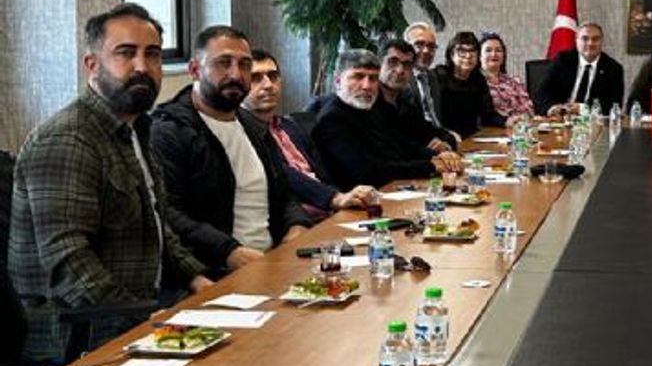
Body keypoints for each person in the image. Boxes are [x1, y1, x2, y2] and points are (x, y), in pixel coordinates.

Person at [9, 3, 214, 362]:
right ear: (92, 65)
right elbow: (70, 263)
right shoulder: (69, 139)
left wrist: (199, 281)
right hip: (80, 342)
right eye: (125, 53)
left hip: (139, 319)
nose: (142, 66)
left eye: (152, 54)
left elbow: (156, 227)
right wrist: (143, 321)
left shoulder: (136, 128)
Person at [151, 25, 311, 278]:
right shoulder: (168, 131)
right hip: (215, 272)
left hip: (275, 262)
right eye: (223, 63)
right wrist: (229, 251)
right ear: (194, 70)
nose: (236, 74)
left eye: (244, 65)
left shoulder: (252, 125)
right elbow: (167, 213)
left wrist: (297, 226)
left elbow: (283, 193)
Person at [242, 49, 378, 221]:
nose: (268, 85)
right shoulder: (242, 132)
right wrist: (335, 198)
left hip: (330, 214)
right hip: (293, 222)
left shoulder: (291, 126)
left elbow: (324, 176)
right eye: (255, 78)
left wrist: (344, 202)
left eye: (273, 76)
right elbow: (285, 176)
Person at [313, 50, 462, 190]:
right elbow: (367, 172)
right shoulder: (333, 119)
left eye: (373, 79)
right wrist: (431, 166)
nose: (367, 86)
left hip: (391, 189)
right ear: (338, 81)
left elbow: (400, 146)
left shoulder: (371, 109)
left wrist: (437, 156)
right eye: (358, 77)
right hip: (361, 200)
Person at [379, 38, 457, 153]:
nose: (400, 70)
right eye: (393, 62)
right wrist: (429, 152)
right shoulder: (368, 103)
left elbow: (434, 133)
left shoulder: (406, 103)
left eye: (407, 65)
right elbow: (392, 151)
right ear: (378, 64)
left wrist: (446, 145)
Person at [535, 22, 625, 116]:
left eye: (595, 39)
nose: (590, 43)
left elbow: (614, 105)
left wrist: (583, 109)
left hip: (592, 121)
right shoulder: (562, 60)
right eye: (585, 38)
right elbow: (541, 92)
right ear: (576, 41)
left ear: (602, 42)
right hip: (561, 119)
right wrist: (551, 107)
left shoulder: (613, 68)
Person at [433, 30, 507, 138]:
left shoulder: (478, 79)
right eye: (462, 51)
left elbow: (488, 115)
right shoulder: (439, 76)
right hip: (443, 137)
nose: (468, 56)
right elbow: (432, 115)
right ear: (451, 55)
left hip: (471, 138)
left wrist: (507, 121)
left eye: (472, 51)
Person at [402, 21, 447, 133]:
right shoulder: (400, 79)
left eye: (431, 46)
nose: (426, 51)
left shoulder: (433, 77)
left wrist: (446, 133)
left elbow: (435, 118)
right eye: (419, 44)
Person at [478, 31, 534, 118]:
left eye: (498, 50)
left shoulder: (514, 81)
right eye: (488, 50)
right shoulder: (475, 82)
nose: (494, 54)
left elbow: (529, 111)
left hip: (519, 125)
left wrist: (515, 119)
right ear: (479, 56)